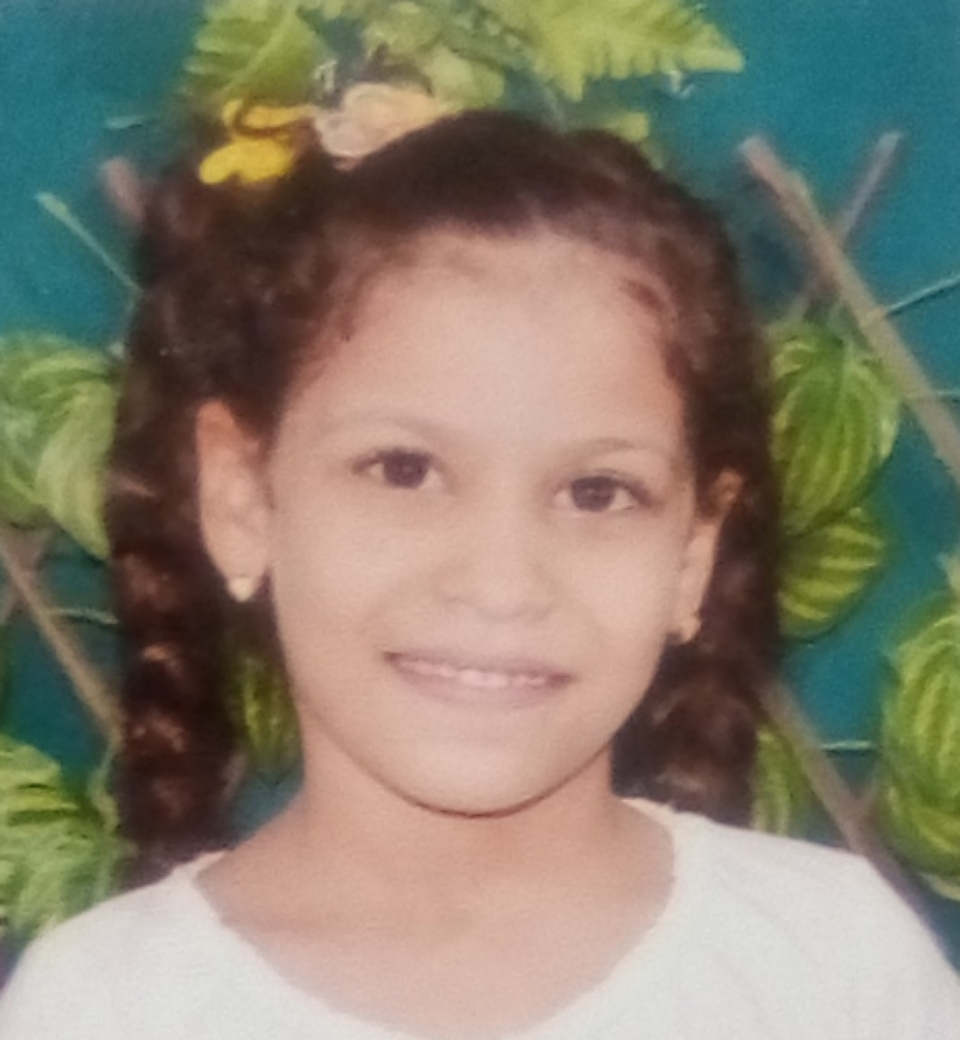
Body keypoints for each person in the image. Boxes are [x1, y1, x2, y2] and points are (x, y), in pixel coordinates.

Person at [0, 107, 957, 1039]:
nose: (501, 584)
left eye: (597, 492)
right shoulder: (105, 1008)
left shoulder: (830, 966)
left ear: (693, 553)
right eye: (403, 470)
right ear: (245, 499)